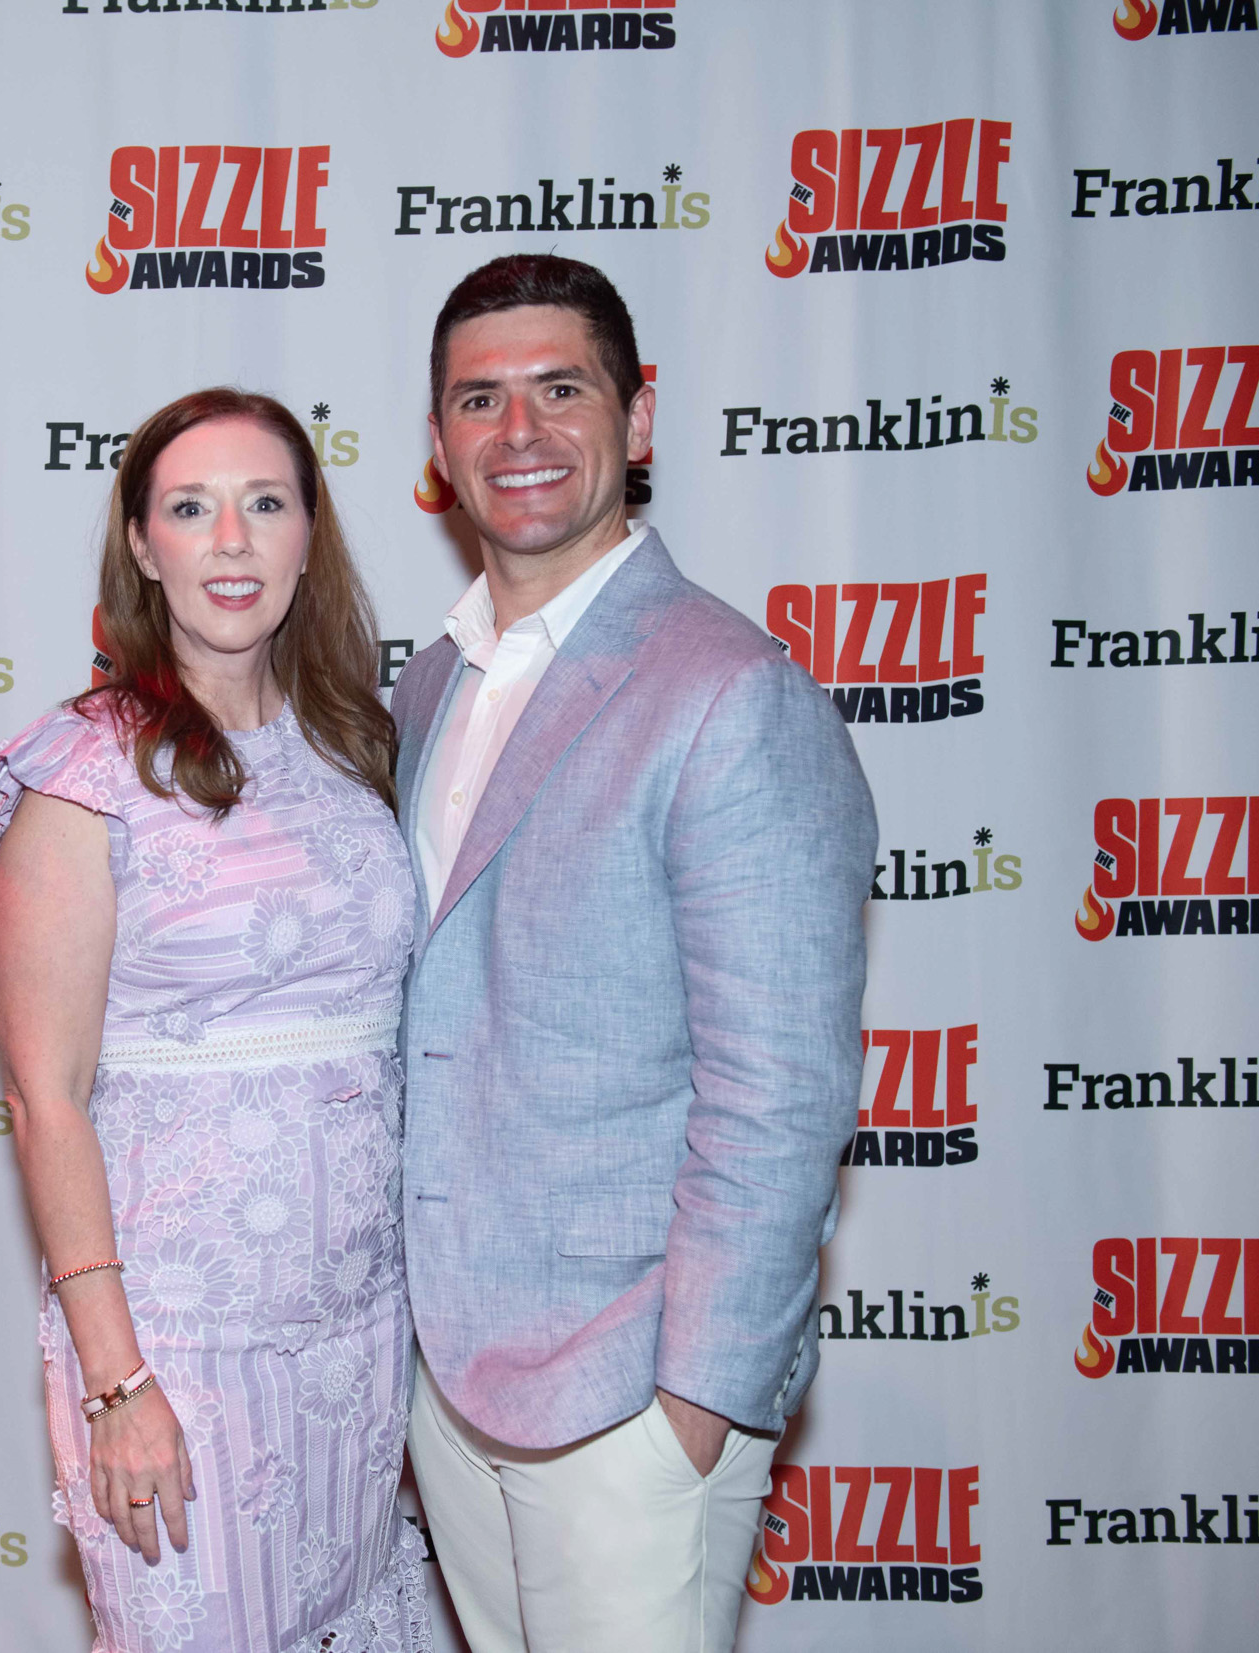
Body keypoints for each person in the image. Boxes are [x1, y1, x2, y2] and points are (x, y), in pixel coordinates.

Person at [393, 255, 877, 1652]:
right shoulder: (432, 679)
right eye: (478, 399)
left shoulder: (728, 692)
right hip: (448, 1380)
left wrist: (694, 1405)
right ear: (439, 444)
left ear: (638, 416)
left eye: (561, 389)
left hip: (628, 1393)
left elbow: (780, 1088)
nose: (518, 432)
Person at [0, 388, 431, 1653]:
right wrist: (115, 1383)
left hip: (359, 1334)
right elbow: (46, 1099)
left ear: (307, 535)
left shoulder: (355, 747)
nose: (230, 541)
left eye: (263, 504)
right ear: (142, 545)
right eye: (190, 508)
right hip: (178, 1349)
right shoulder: (83, 773)